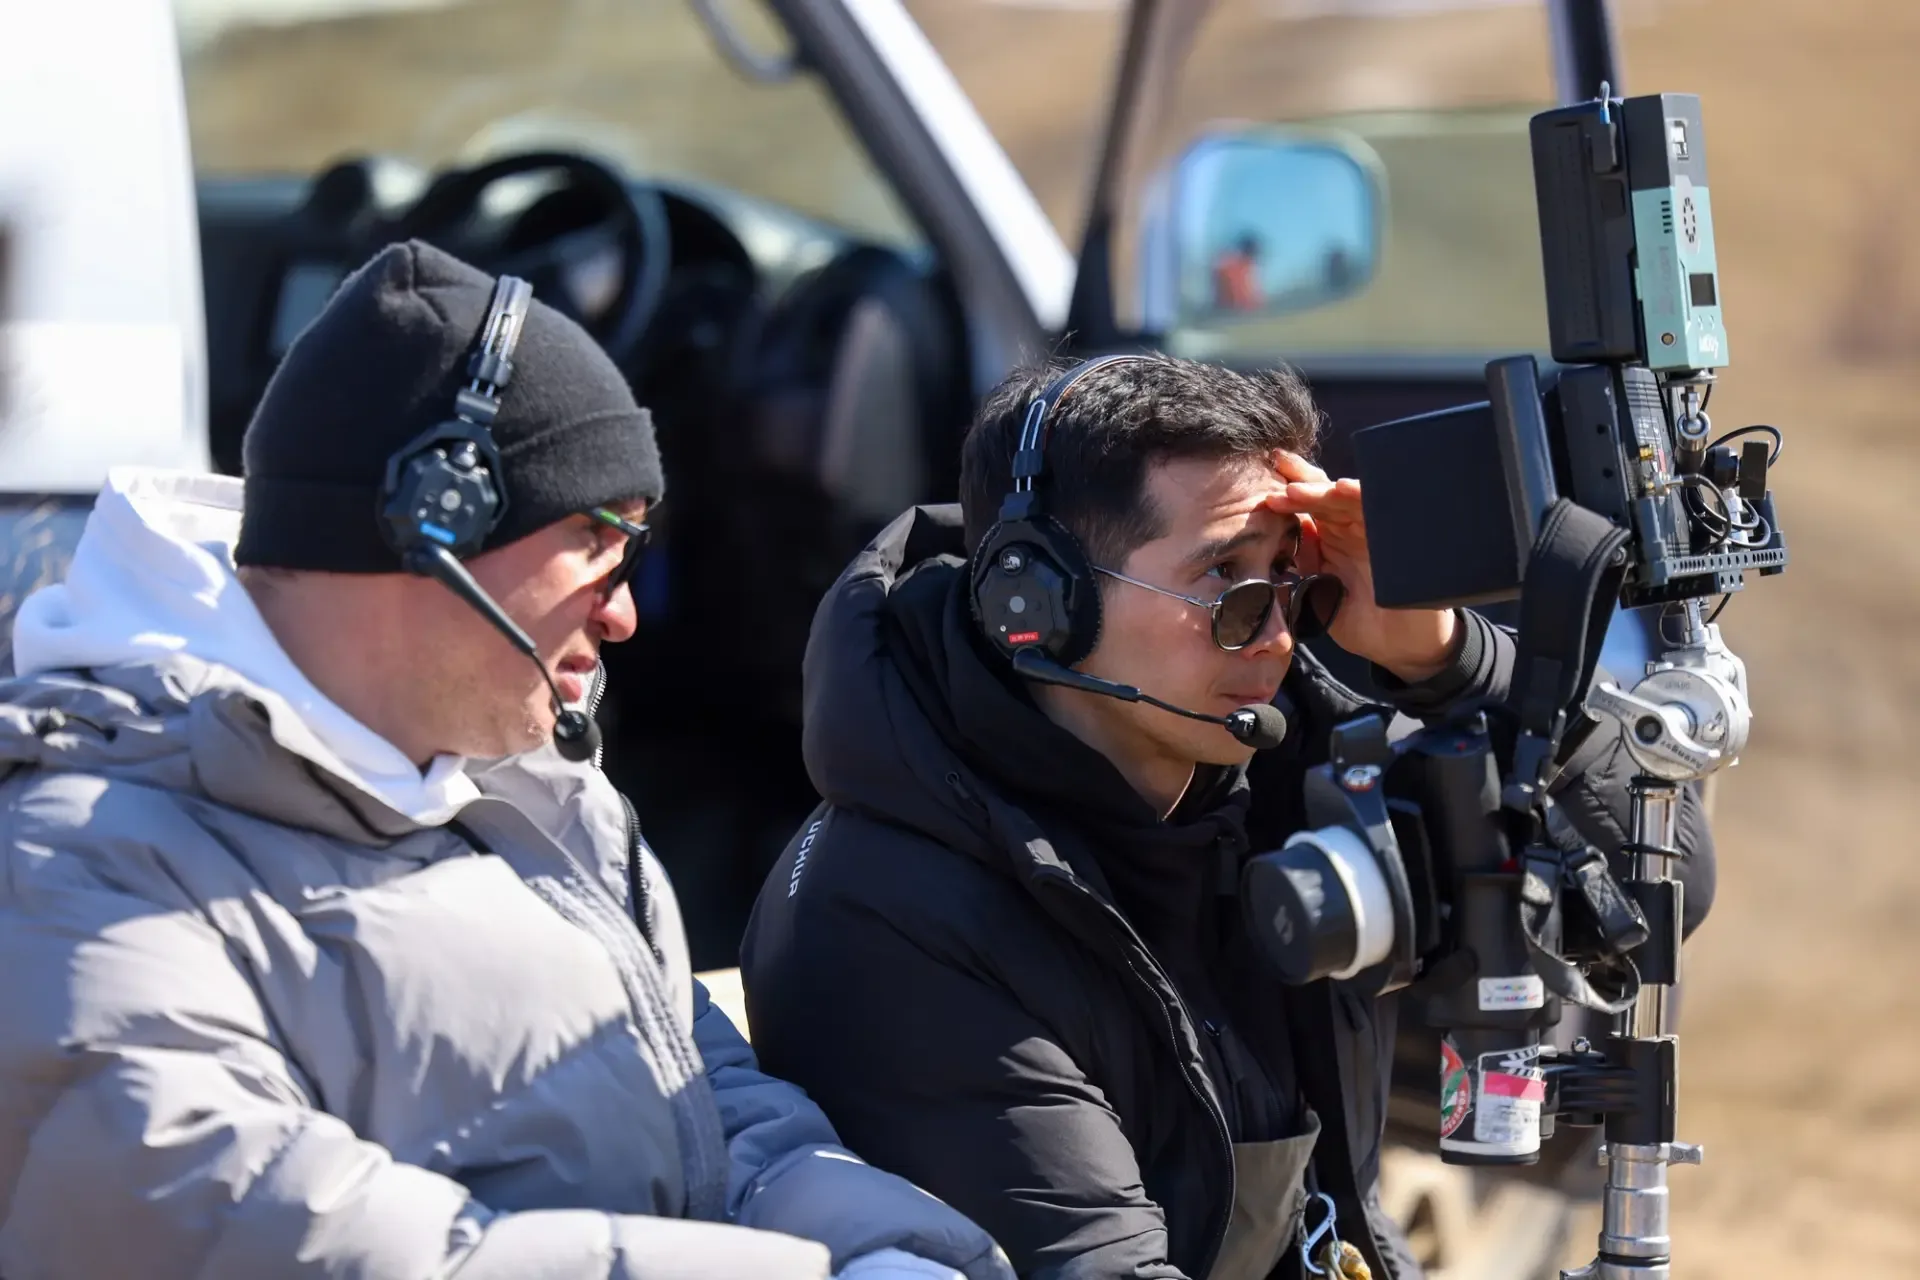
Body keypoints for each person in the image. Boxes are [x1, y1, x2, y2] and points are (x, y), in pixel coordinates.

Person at [0, 240, 1014, 1280]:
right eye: (599, 542)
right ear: (431, 518)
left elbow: (707, 1106)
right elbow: (293, 1243)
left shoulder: (536, 795)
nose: (622, 614)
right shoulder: (78, 869)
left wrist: (890, 1249)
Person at [738, 353, 1717, 1280]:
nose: (1279, 634)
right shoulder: (888, 919)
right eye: (1231, 583)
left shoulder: (1278, 768)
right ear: (1036, 604)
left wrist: (1445, 657)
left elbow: (1656, 892)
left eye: (1292, 574)